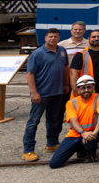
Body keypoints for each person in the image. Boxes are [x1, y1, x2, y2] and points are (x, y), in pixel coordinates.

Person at [22, 28, 70, 162]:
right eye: (50, 37)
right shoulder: (37, 54)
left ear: (59, 38)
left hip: (58, 93)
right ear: (45, 38)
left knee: (54, 120)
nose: (53, 39)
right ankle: (28, 150)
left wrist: (66, 84)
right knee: (33, 122)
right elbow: (30, 74)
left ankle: (52, 143)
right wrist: (34, 92)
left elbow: (65, 67)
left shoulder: (62, 51)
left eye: (55, 36)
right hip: (42, 94)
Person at [49, 75, 99, 168]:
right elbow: (73, 121)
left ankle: (90, 152)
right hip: (76, 134)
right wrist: (83, 133)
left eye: (89, 87)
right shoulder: (71, 103)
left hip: (95, 132)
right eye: (83, 88)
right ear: (78, 90)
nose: (86, 90)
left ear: (93, 87)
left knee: (90, 141)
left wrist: (94, 133)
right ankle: (80, 147)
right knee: (54, 164)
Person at [69, 30, 99, 151]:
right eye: (93, 37)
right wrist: (75, 91)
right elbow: (73, 74)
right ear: (89, 39)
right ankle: (86, 140)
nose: (96, 39)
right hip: (89, 92)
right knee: (91, 116)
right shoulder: (81, 55)